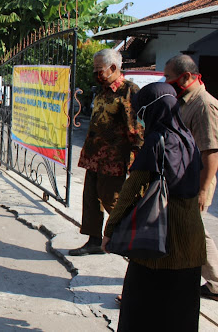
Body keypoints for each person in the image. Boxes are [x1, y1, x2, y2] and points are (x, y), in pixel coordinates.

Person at [102, 82, 205, 331]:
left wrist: (110, 229)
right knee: (181, 308)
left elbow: (130, 190)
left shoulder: (157, 140)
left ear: (150, 111)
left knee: (143, 308)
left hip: (159, 237)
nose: (140, 119)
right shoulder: (188, 138)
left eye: (141, 112)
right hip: (191, 239)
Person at [69, 49, 143, 256]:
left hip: (114, 160)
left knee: (115, 202)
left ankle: (133, 243)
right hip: (94, 157)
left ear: (113, 68)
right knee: (91, 201)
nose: (95, 74)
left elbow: (136, 130)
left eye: (98, 70)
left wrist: (136, 163)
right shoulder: (102, 91)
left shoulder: (129, 91)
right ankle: (94, 240)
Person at [164, 54, 218, 301]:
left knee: (195, 231)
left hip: (195, 180)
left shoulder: (204, 105)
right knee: (182, 229)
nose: (166, 82)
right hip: (179, 179)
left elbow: (211, 152)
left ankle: (216, 282)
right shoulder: (183, 100)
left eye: (169, 78)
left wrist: (204, 189)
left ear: (185, 77)